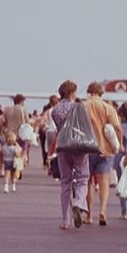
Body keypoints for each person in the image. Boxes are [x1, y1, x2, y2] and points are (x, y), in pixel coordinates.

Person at [49, 80, 90, 230]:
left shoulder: (55, 110)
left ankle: (65, 220)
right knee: (83, 178)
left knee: (65, 182)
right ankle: (79, 202)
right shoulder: (78, 108)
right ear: (72, 92)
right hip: (78, 146)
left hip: (63, 146)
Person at [83, 82, 123, 226]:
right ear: (101, 93)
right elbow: (117, 128)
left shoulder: (83, 106)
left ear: (89, 91)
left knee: (88, 182)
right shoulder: (108, 108)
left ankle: (89, 214)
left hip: (87, 148)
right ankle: (103, 211)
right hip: (105, 149)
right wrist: (119, 143)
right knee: (104, 182)